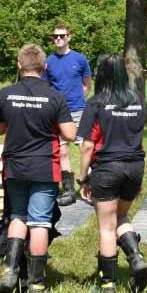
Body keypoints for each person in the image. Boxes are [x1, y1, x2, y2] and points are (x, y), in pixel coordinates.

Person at [0, 44, 76, 293]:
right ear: (45, 67)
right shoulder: (55, 96)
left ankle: (9, 270)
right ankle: (36, 285)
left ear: (20, 66)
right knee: (40, 221)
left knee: (18, 216)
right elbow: (70, 134)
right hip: (44, 166)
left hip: (15, 167)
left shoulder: (5, 94)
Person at [77, 54, 147, 293]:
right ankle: (135, 257)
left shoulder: (96, 102)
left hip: (107, 168)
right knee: (121, 215)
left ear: (102, 75)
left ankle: (107, 285)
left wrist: (82, 177)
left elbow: (87, 146)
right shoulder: (137, 100)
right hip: (135, 167)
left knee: (107, 228)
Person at [43, 22, 91, 207]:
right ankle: (69, 190)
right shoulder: (49, 61)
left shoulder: (80, 59)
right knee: (62, 150)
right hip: (58, 113)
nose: (58, 39)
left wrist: (80, 99)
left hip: (78, 110)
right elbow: (46, 86)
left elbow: (87, 83)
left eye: (62, 35)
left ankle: (88, 185)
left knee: (84, 147)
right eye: (55, 36)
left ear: (69, 37)